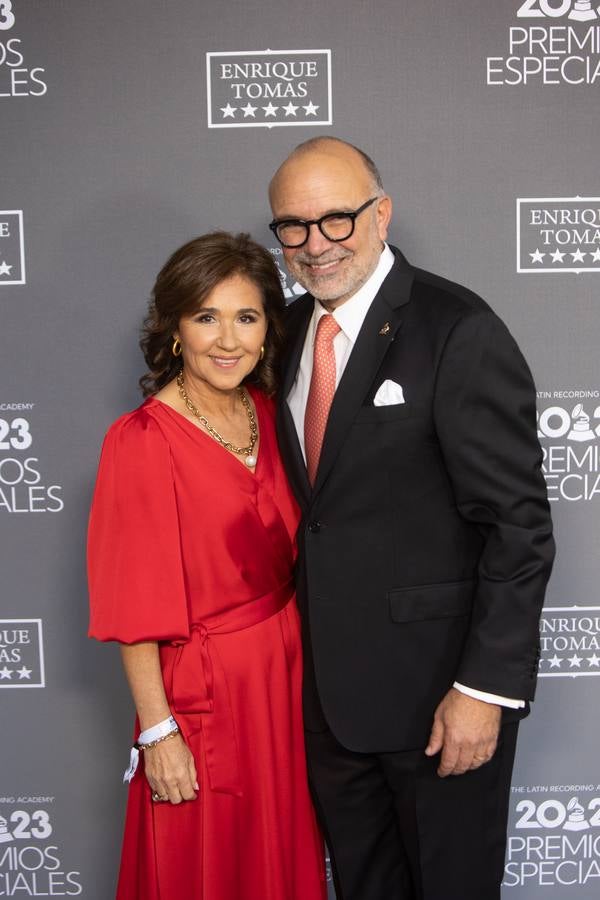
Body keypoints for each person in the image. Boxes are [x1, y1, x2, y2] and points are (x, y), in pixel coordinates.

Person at [268, 137, 555, 900]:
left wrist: (484, 691)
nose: (315, 243)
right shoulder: (287, 334)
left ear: (382, 213)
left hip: (440, 704)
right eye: (292, 226)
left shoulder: (458, 328)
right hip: (331, 708)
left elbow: (518, 525)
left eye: (337, 218)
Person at [87, 232, 326, 900]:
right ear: (174, 332)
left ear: (266, 331)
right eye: (206, 317)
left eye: (246, 317)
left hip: (284, 684)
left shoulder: (268, 414)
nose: (228, 340)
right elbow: (134, 608)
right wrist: (159, 733)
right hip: (203, 698)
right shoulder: (140, 442)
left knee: (277, 859)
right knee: (206, 868)